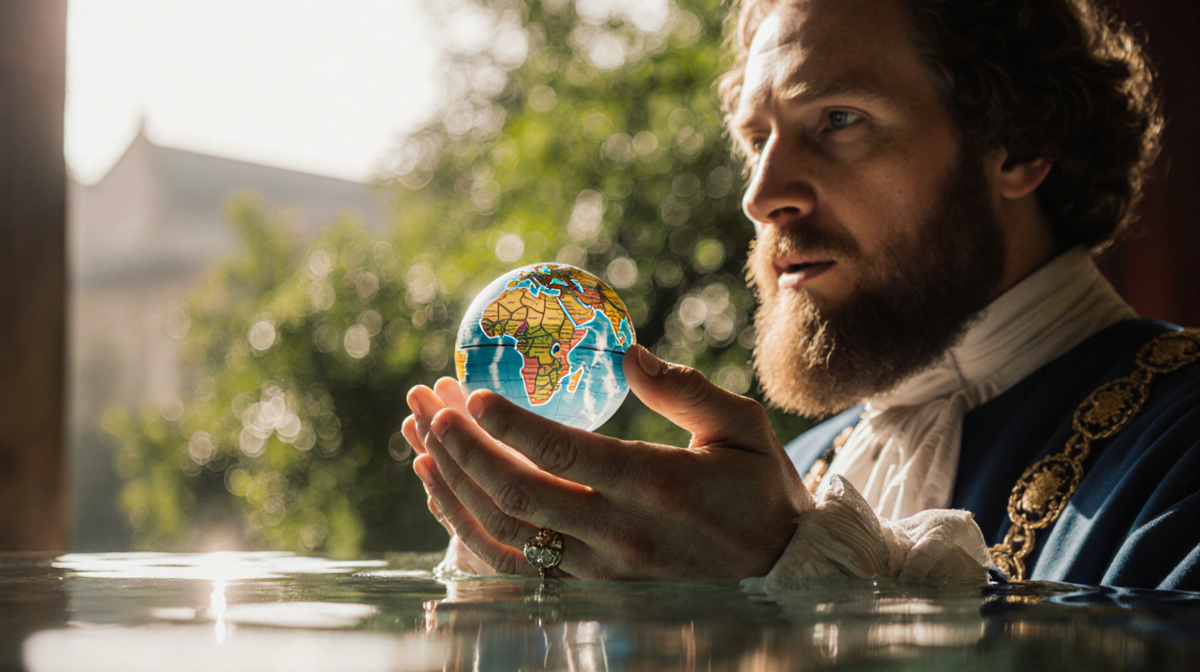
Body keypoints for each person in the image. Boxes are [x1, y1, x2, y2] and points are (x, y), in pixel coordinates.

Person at [402, 0, 1199, 590]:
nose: (762, 194)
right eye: (757, 139)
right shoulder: (798, 475)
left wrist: (806, 573)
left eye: (838, 119)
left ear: (1020, 145)